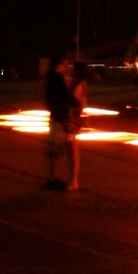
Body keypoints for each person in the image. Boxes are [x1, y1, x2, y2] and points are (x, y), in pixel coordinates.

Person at [43, 48, 75, 190]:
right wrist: (76, 103)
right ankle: (53, 178)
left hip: (54, 114)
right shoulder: (57, 78)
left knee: (54, 147)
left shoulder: (50, 76)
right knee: (56, 148)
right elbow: (64, 95)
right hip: (59, 115)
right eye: (66, 63)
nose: (67, 66)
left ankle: (52, 177)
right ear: (61, 63)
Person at [66, 61, 89, 191]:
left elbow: (77, 101)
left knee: (73, 149)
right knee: (71, 148)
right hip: (73, 118)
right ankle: (72, 179)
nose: (71, 71)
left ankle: (74, 180)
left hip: (73, 119)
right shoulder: (79, 83)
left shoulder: (79, 84)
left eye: (74, 69)